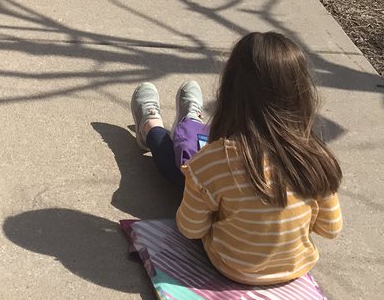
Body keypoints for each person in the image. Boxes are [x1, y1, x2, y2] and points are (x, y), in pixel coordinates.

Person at [129, 31, 342, 286]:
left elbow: (189, 228)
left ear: (230, 94)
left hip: (227, 265)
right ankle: (185, 121)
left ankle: (153, 127)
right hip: (294, 270)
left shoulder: (216, 160)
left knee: (184, 173)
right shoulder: (316, 157)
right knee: (200, 175)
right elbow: (331, 229)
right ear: (302, 95)